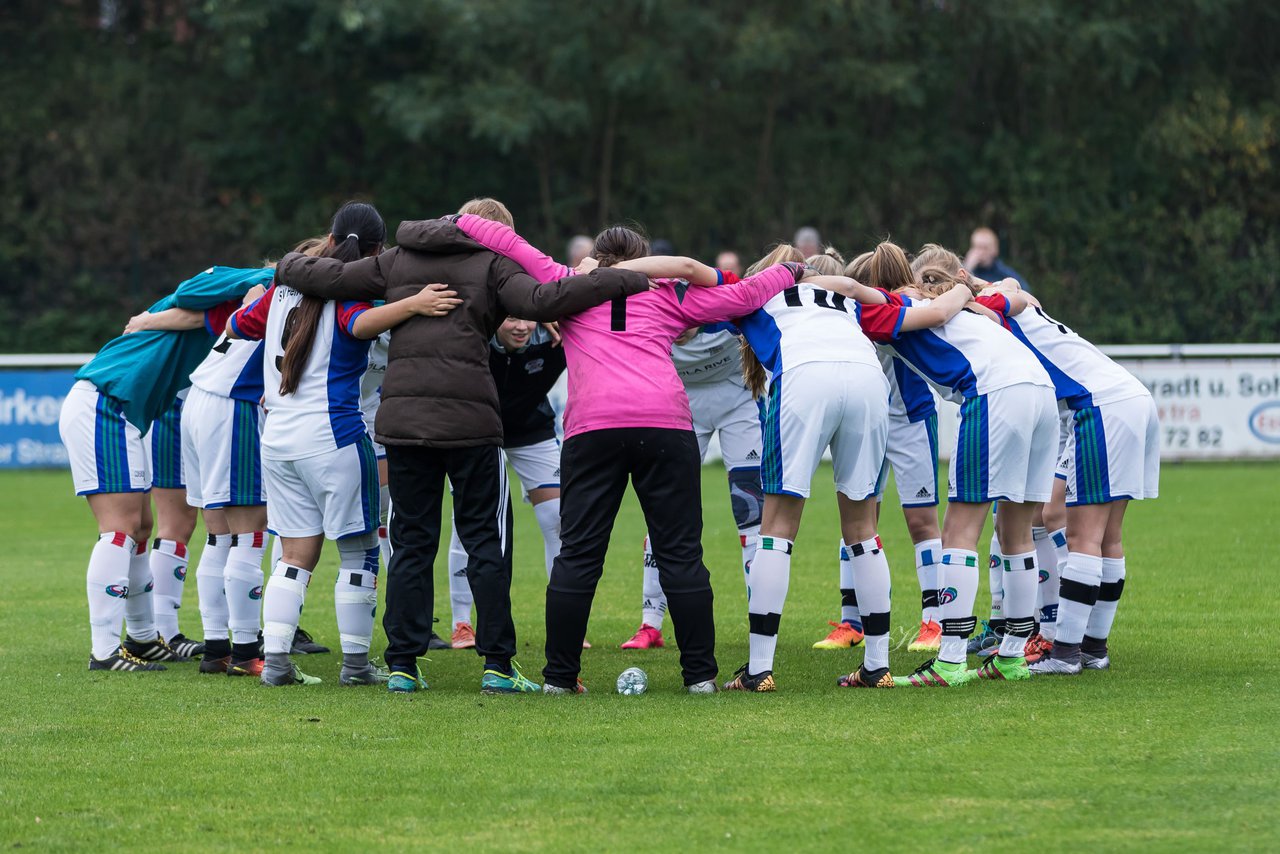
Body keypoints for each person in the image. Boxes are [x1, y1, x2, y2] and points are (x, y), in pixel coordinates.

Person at [272, 198, 651, 694]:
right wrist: (628, 278)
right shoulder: (493, 263)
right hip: (469, 423)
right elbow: (542, 300)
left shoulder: (398, 259)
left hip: (403, 423)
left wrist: (285, 264)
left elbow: (327, 278)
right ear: (497, 235)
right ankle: (496, 665)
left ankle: (404, 665)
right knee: (485, 544)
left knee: (410, 543)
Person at [454, 215, 810, 694]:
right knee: (681, 554)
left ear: (598, 257)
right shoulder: (667, 291)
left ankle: (560, 678)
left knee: (578, 556)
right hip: (663, 423)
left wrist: (458, 221)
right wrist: (791, 271)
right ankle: (699, 677)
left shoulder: (567, 283)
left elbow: (511, 243)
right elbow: (745, 295)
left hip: (593, 429)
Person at [724, 245, 974, 692]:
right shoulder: (845, 299)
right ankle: (876, 667)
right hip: (866, 380)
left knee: (777, 526)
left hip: (803, 377)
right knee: (862, 527)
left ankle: (759, 669)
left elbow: (694, 295)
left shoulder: (755, 295)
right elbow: (886, 303)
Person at [868, 244, 1057, 686]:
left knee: (959, 531)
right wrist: (967, 290)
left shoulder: (892, 307)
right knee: (1016, 531)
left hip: (994, 395)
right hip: (1039, 391)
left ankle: (950, 660)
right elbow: (1006, 299)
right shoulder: (965, 305)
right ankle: (1011, 653)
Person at [58, 266, 264, 671]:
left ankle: (142, 637)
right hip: (106, 403)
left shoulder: (209, 316)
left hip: (119, 411)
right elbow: (197, 290)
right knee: (119, 529)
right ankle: (103, 652)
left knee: (140, 529)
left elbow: (197, 313)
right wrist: (274, 273)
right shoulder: (200, 297)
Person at [961, 279, 1159, 675]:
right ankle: (1092, 648)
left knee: (1082, 536)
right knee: (1097, 532)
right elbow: (1016, 289)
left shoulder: (996, 307)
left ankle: (1066, 653)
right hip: (1127, 397)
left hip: (1099, 406)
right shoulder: (1025, 308)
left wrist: (964, 293)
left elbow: (1002, 296)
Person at [811, 249, 946, 655]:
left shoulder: (902, 306)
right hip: (865, 419)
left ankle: (935, 623)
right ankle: (852, 622)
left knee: (921, 521)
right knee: (858, 518)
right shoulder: (851, 311)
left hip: (911, 419)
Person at [445, 316, 568, 649]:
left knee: (559, 517)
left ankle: (566, 617)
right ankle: (462, 623)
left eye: (527, 318)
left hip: (532, 431)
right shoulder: (476, 335)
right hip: (478, 433)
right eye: (511, 318)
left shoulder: (554, 336)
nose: (521, 327)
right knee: (468, 521)